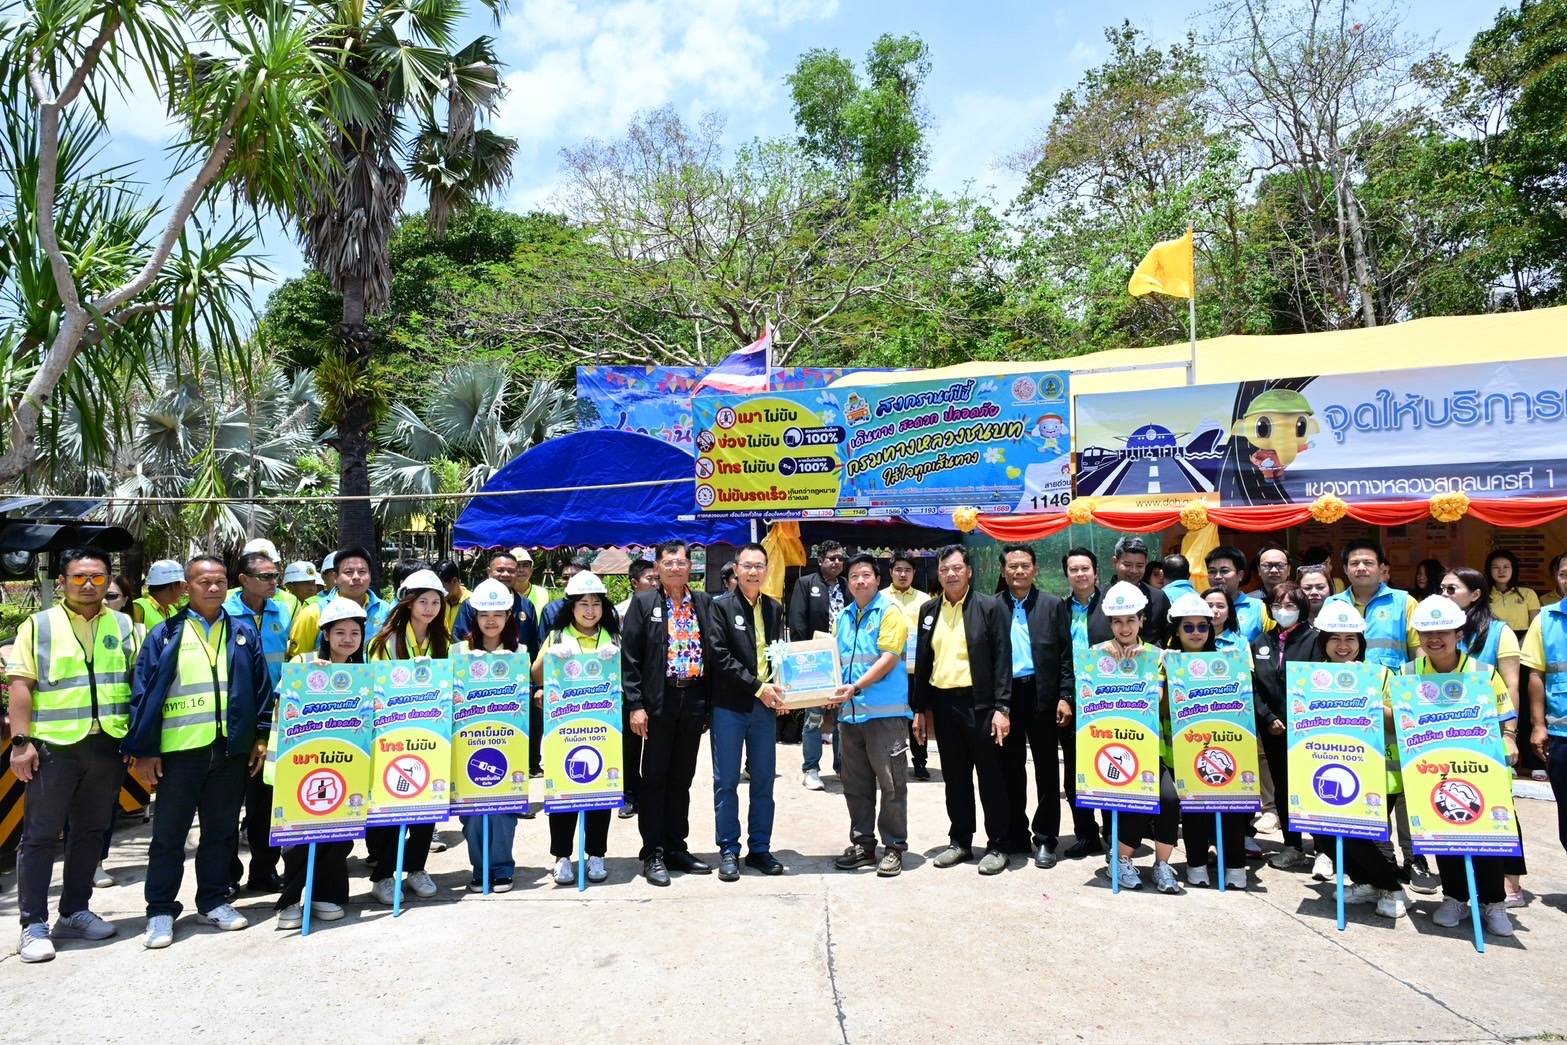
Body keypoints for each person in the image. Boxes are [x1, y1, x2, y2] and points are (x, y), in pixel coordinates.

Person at [127, 555, 274, 949]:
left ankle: (213, 901)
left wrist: (260, 736)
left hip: (229, 751)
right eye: (203, 581)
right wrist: (145, 750)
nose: (213, 588)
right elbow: (143, 694)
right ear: (186, 587)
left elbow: (260, 687)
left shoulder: (242, 632)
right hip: (179, 753)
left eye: (219, 581)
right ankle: (160, 909)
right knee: (169, 835)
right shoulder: (164, 634)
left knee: (221, 832)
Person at [7, 547, 137, 963]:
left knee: (91, 832)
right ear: (62, 581)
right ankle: (33, 924)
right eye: (79, 577)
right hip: (54, 748)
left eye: (97, 577)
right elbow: (21, 685)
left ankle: (75, 911)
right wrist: (21, 743)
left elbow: (135, 681)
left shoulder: (124, 624)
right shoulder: (39, 625)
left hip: (108, 744)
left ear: (108, 581)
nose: (88, 585)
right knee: (40, 836)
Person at [1406, 595, 1520, 938]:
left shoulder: (1483, 673)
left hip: (1480, 767)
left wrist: (1510, 738)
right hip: (1432, 767)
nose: (1434, 639)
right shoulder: (1408, 674)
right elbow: (1402, 718)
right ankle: (1455, 897)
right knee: (1443, 830)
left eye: (1443, 631)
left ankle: (1493, 902)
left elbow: (1504, 714)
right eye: (1427, 633)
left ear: (1458, 634)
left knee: (1485, 835)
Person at [1305, 601, 1409, 919]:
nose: (1343, 645)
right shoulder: (1310, 676)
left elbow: (1398, 723)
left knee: (1363, 836)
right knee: (1323, 833)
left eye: (1350, 638)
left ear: (1360, 642)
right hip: (1324, 767)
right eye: (1335, 638)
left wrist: (1367, 699)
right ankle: (1367, 882)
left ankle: (1392, 888)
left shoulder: (1380, 675)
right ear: (1323, 641)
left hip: (1377, 772)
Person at [622, 539, 717, 886]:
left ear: (690, 566)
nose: (675, 568)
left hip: (693, 700)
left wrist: (709, 704)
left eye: (681, 562)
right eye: (668, 562)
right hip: (657, 702)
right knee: (655, 779)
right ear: (658, 568)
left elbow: (713, 651)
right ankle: (653, 852)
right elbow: (630, 657)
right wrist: (636, 704)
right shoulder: (644, 603)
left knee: (682, 778)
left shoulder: (703, 602)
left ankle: (677, 846)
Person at [912, 544, 1012, 875]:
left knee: (991, 777)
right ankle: (960, 841)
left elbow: (1003, 660)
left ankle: (998, 845)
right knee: (955, 778)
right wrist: (919, 709)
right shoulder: (929, 610)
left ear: (969, 571)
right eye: (944, 570)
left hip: (981, 705)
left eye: (956, 568)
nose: (950, 574)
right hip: (944, 704)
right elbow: (924, 661)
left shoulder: (990, 607)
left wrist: (1002, 707)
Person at [274, 597, 366, 929]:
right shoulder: (304, 661)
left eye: (354, 633)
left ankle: (325, 894)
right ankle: (290, 901)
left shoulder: (361, 672)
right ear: (326, 634)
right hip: (302, 761)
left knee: (339, 832)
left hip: (345, 761)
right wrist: (310, 678)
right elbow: (281, 703)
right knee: (299, 835)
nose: (347, 639)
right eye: (340, 632)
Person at [363, 568, 450, 905]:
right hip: (392, 736)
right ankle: (383, 875)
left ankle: (416, 868)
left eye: (435, 602)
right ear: (408, 602)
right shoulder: (383, 643)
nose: (429, 608)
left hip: (432, 735)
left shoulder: (444, 641)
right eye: (423, 601)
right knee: (392, 808)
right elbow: (377, 684)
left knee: (427, 806)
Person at [1093, 582, 1182, 893]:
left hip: (1150, 748)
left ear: (1142, 620)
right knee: (1132, 804)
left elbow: (1160, 698)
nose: (1125, 627)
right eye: (1117, 621)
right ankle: (1119, 862)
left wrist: (1143, 666)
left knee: (1169, 799)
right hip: (1112, 747)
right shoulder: (1096, 655)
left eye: (1131, 620)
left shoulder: (1157, 656)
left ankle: (1162, 865)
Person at [532, 572, 619, 887]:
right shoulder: (557, 637)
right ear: (571, 607)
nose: (590, 610)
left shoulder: (613, 637)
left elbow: (626, 676)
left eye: (596, 603)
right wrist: (551, 658)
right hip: (564, 729)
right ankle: (562, 856)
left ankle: (596, 854)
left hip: (602, 728)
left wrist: (617, 660)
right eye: (583, 604)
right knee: (562, 793)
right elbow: (536, 675)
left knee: (600, 792)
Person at [707, 542, 787, 881]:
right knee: (726, 781)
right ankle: (728, 849)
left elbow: (778, 653)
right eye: (747, 566)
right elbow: (719, 656)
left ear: (766, 571)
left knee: (764, 780)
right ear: (736, 571)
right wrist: (758, 687)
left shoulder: (774, 607)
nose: (753, 572)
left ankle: (759, 849)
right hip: (730, 706)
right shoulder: (719, 607)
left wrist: (782, 688)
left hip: (764, 708)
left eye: (759, 566)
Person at [829, 553, 913, 878]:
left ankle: (894, 847)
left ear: (878, 580)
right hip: (850, 717)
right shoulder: (844, 617)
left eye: (866, 575)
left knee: (892, 784)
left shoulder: (890, 612)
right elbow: (833, 661)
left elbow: (888, 658)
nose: (860, 581)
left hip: (884, 717)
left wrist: (855, 687)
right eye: (854, 576)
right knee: (855, 785)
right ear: (848, 583)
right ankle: (863, 845)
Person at [996, 543, 1074, 869]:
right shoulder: (993, 606)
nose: (1018, 571)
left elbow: (1065, 655)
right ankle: (1016, 832)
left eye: (1024, 565)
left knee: (1046, 769)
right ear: (1003, 571)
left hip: (1043, 695)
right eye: (1012, 566)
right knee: (1010, 769)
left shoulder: (1052, 605)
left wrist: (1065, 696)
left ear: (1035, 569)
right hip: (1007, 697)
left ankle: (1045, 838)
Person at [222, 551, 293, 893]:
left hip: (275, 717)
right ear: (243, 580)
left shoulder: (284, 611)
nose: (272, 582)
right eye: (265, 577)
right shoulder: (225, 612)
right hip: (237, 717)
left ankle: (264, 870)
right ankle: (227, 875)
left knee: (265, 803)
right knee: (226, 803)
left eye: (275, 575)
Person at [1165, 591, 1246, 889]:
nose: (1196, 632)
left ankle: (1235, 866)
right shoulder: (1164, 661)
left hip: (1225, 745)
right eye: (1188, 626)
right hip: (1181, 748)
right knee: (1194, 810)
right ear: (1176, 630)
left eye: (1202, 626)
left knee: (1231, 808)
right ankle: (1196, 863)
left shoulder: (1228, 661)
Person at [453, 579, 525, 891]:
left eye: (498, 614)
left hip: (507, 742)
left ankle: (502, 867)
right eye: (484, 614)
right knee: (472, 812)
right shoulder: (458, 652)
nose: (491, 620)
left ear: (508, 616)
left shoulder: (519, 653)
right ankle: (480, 867)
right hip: (468, 743)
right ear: (475, 616)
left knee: (503, 811)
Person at [451, 550, 543, 777]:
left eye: (511, 570)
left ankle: (527, 770)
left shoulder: (525, 611)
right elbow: (459, 640)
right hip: (472, 714)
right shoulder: (469, 613)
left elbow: (534, 646)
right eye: (500, 570)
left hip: (513, 704)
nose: (491, 620)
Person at [1249, 582, 1320, 870]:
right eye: (1277, 605)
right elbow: (1254, 686)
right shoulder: (1261, 641)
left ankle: (1324, 848)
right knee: (1282, 786)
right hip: (1273, 728)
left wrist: (1297, 719)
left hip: (1306, 728)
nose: (1283, 610)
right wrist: (1267, 718)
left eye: (1290, 605)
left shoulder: (1315, 639)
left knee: (1312, 785)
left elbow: (1316, 682)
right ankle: (1293, 845)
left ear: (1302, 608)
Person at [1062, 546, 1111, 858]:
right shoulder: (1060, 609)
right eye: (1073, 569)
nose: (1080, 574)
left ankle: (1114, 833)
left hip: (1109, 700)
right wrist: (1064, 696)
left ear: (1096, 572)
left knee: (1109, 764)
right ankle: (1086, 834)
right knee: (1075, 772)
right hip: (1074, 701)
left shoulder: (1111, 606)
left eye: (1085, 568)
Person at [788, 539, 849, 791]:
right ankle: (811, 769)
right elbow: (797, 623)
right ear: (820, 560)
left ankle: (844, 767)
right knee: (814, 718)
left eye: (840, 558)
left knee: (844, 718)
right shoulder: (806, 584)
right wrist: (805, 660)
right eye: (831, 558)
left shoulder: (847, 585)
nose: (836, 562)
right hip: (816, 663)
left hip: (845, 661)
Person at [1523, 561, 1567, 856]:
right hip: (1562, 734)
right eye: (1564, 574)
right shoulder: (1545, 619)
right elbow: (1536, 675)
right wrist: (1538, 725)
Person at [1324, 539, 1418, 671]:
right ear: (1345, 569)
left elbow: (1418, 652)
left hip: (1391, 682)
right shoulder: (1332, 604)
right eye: (1354, 563)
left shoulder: (1404, 602)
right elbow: (1324, 650)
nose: (1361, 568)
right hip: (1344, 680)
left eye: (1368, 563)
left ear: (1381, 568)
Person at [287, 546, 392, 658]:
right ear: (335, 577)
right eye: (349, 572)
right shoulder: (313, 613)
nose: (356, 577)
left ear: (370, 575)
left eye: (362, 571)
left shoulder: (386, 610)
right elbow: (298, 659)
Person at [882, 551, 930, 780]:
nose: (903, 574)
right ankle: (890, 762)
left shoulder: (925, 599)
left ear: (914, 573)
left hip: (915, 670)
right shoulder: (880, 598)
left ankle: (920, 761)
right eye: (898, 570)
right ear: (891, 572)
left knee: (917, 714)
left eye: (907, 570)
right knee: (890, 716)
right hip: (889, 669)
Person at [617, 557, 658, 816]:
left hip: (657, 689)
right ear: (634, 583)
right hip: (629, 690)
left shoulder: (665, 607)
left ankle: (650, 794)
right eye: (649, 579)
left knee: (655, 747)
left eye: (657, 579)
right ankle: (629, 794)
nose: (654, 583)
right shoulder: (619, 612)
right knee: (629, 747)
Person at [1112, 536, 1170, 646]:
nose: (1133, 571)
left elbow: (1167, 637)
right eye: (1127, 565)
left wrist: (1147, 649)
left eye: (1139, 565)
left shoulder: (1158, 598)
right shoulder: (1100, 598)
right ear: (1115, 562)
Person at [1206, 545, 1266, 642]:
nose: (1217, 576)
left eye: (1224, 571)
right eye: (1212, 571)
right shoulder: (1199, 607)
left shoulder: (1259, 608)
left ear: (1240, 575)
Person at [1487, 548, 1540, 635]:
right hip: (1493, 639)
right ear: (1489, 570)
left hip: (1524, 640)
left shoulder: (1528, 593)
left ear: (1513, 569)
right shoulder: (1483, 595)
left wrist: (1522, 642)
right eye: (1496, 567)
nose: (1501, 571)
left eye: (1506, 567)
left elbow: (1536, 626)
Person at [539, 556, 591, 634]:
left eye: (575, 577)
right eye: (565, 577)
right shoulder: (551, 610)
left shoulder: (598, 609)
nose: (570, 581)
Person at [132, 558, 186, 633]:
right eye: (182, 585)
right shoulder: (138, 608)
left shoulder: (172, 610)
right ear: (173, 586)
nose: (184, 591)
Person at [1205, 587, 1248, 657]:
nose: (1214, 611)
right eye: (1209, 606)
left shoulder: (1242, 643)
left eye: (1220, 606)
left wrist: (1235, 661)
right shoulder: (1192, 638)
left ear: (1229, 612)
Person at [510, 547, 552, 617]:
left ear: (531, 570)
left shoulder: (542, 593)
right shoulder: (503, 594)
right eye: (517, 566)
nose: (521, 570)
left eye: (525, 565)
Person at [436, 559, 469, 635]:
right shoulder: (438, 603)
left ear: (454, 581)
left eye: (442, 587)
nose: (440, 592)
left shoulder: (472, 603)